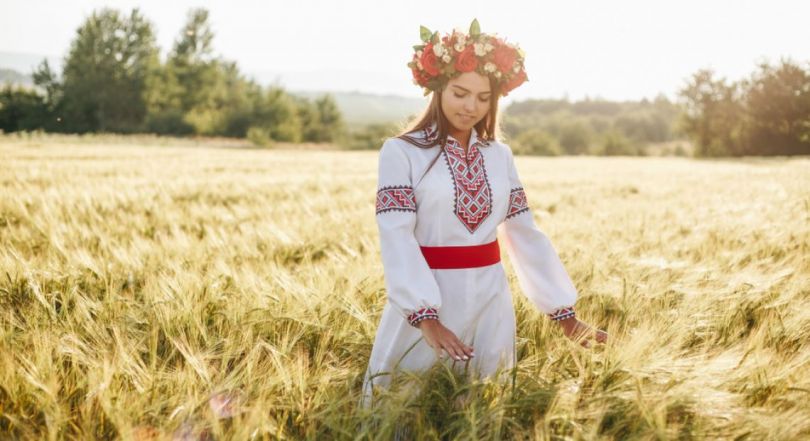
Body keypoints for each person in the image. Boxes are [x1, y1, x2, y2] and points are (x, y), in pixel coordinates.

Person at [360, 19, 607, 410]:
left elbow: (524, 234)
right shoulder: (401, 151)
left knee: (483, 413)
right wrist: (425, 316)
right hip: (428, 302)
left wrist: (565, 316)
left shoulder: (499, 155)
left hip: (491, 300)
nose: (470, 106)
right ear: (437, 89)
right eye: (459, 93)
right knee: (404, 411)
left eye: (482, 97)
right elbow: (396, 235)